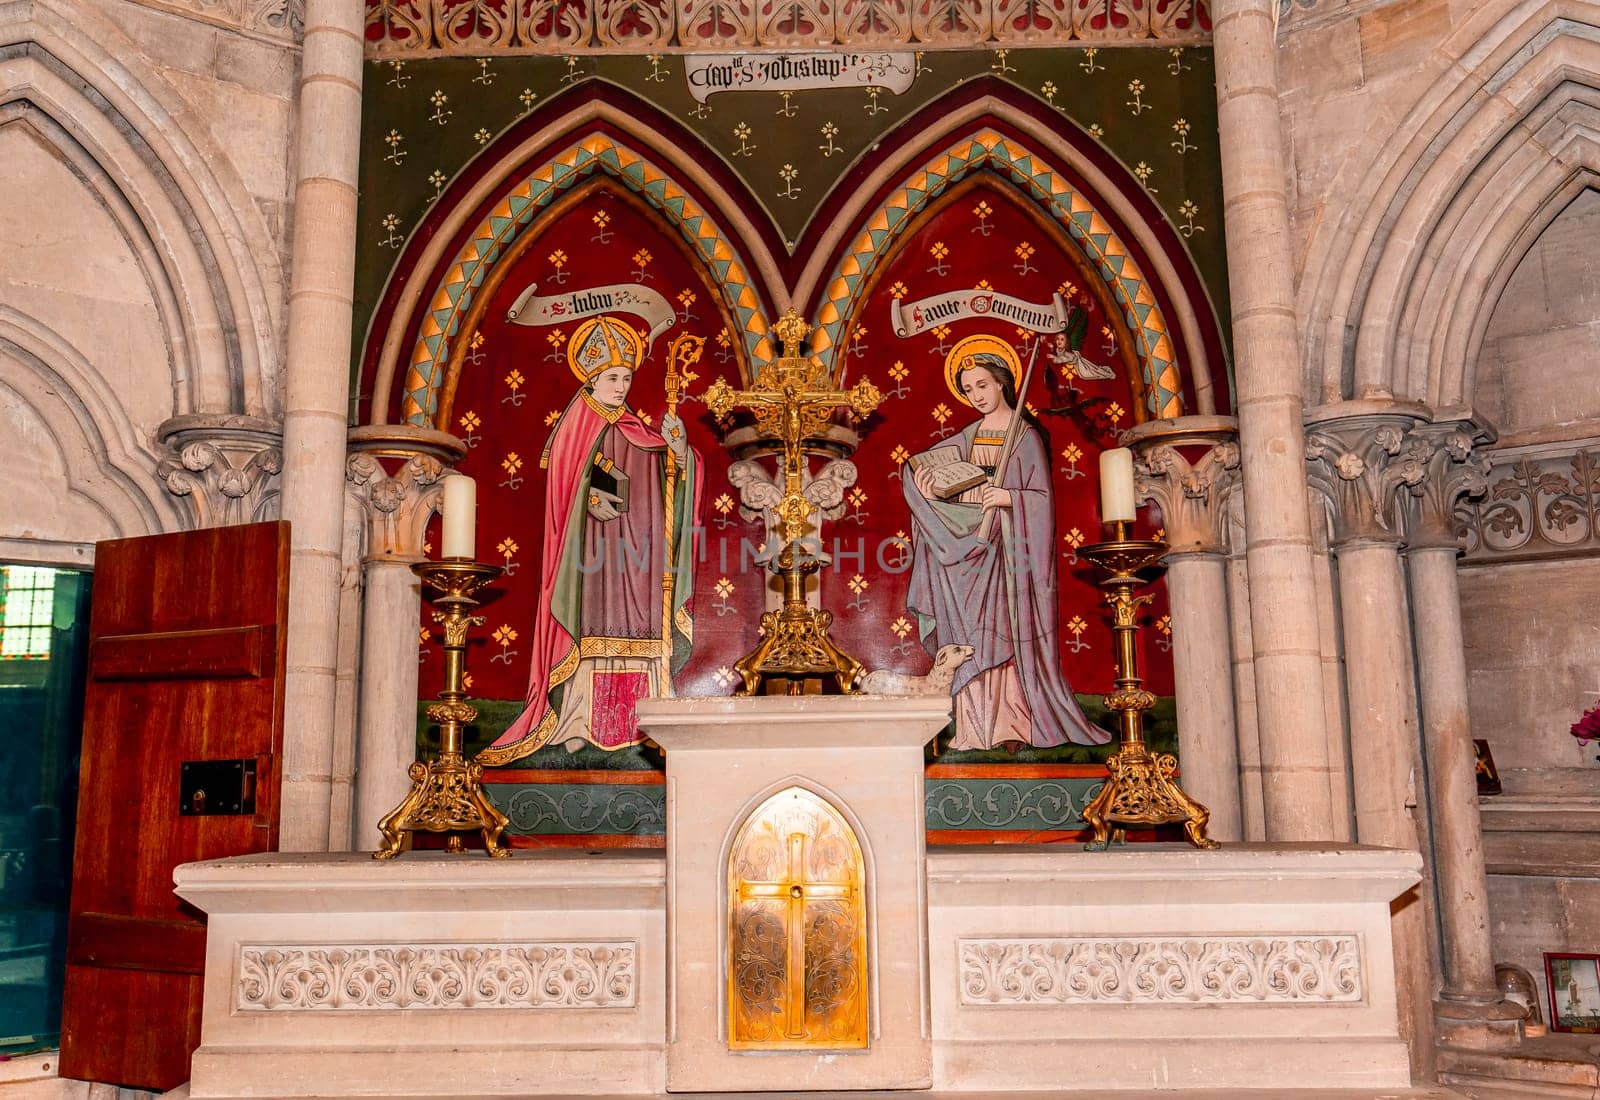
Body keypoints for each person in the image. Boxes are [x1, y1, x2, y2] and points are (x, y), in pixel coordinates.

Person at [482, 316, 701, 763]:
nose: (621, 386)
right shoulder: (579, 425)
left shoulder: (633, 425)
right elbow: (578, 489)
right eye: (613, 378)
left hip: (639, 555)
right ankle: (578, 721)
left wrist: (677, 450)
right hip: (595, 556)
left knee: (642, 632)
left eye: (626, 378)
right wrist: (606, 488)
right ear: (593, 378)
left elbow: (670, 477)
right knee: (594, 634)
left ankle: (646, 720)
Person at [901, 335, 1108, 751]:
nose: (976, 395)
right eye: (968, 388)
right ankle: (975, 729)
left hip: (1007, 560)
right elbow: (927, 468)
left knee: (1001, 635)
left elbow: (1042, 501)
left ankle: (1013, 724)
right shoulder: (967, 436)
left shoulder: (1024, 437)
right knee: (967, 637)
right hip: (968, 556)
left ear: (1001, 383)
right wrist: (924, 482)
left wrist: (1010, 498)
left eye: (982, 385)